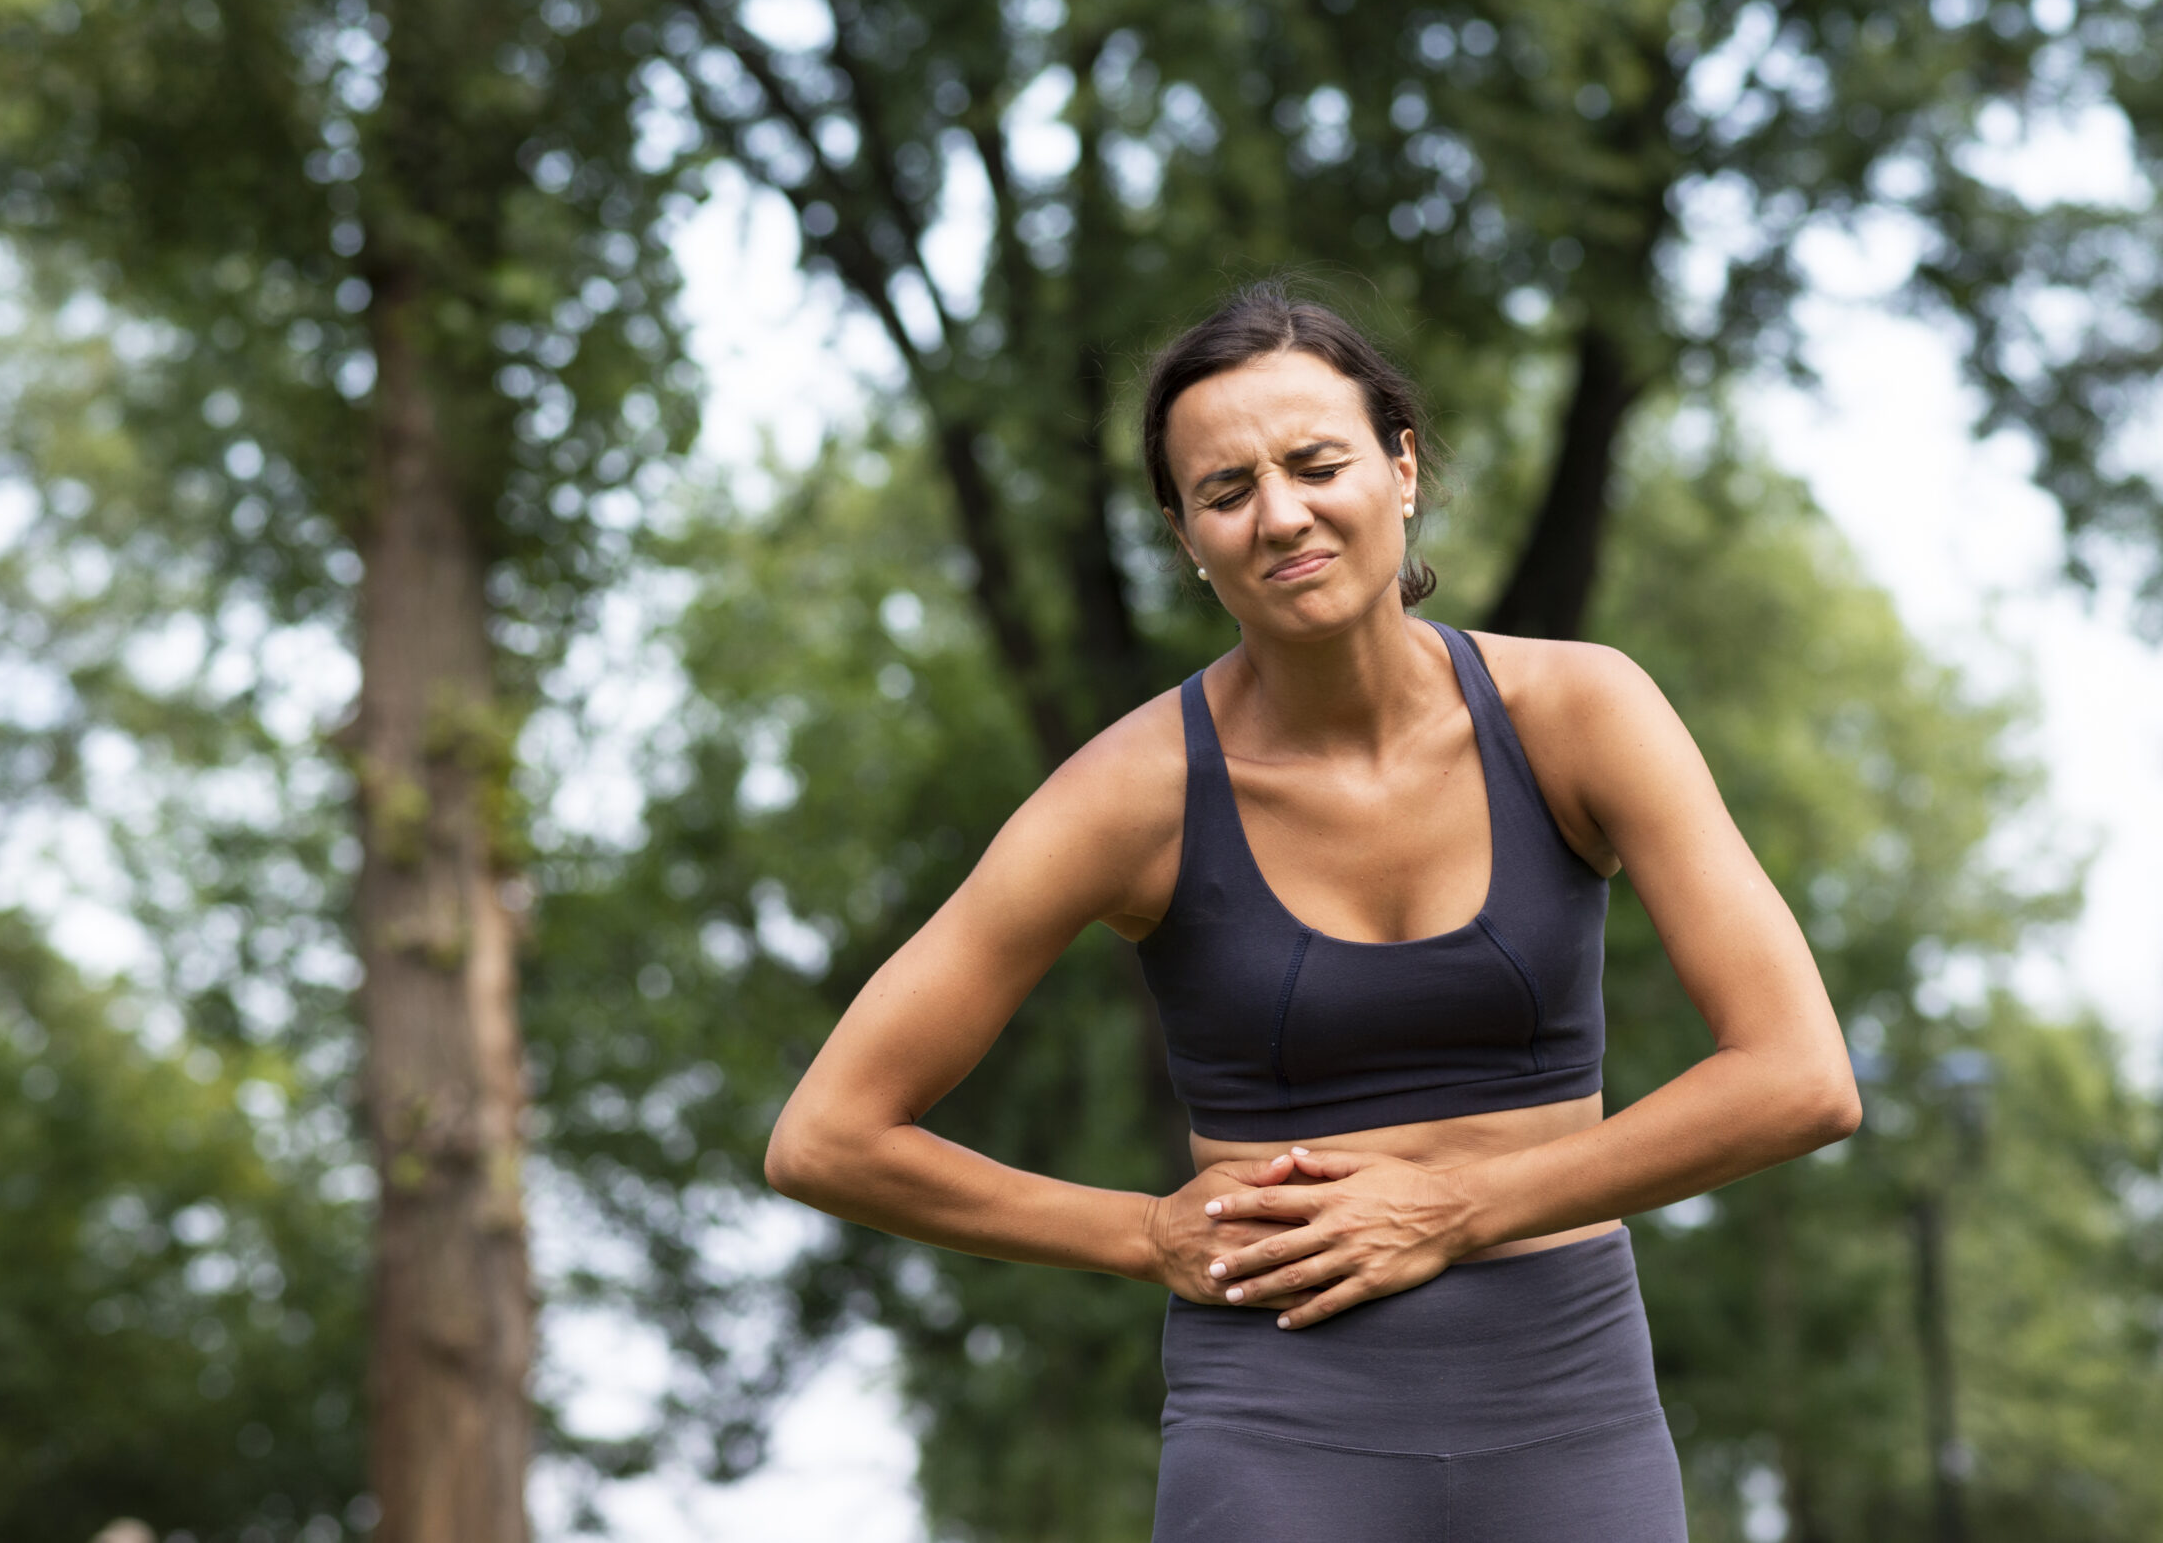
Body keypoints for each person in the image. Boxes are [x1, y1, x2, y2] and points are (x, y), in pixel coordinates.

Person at [765, 282, 1861, 1540]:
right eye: (1225, 492)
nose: (1281, 514)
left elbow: (1800, 1076)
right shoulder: (1129, 795)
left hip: (1569, 1398)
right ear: (1185, 536)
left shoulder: (1581, 712)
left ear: (1399, 467)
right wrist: (1138, 1233)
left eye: (1315, 462)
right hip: (1276, 1416)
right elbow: (827, 1135)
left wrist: (1452, 1211)